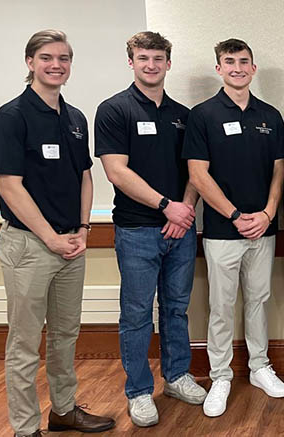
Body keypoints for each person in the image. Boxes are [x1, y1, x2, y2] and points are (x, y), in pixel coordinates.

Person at [0, 29, 115, 436]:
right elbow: (9, 184)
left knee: (65, 335)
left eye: (63, 58)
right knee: (24, 345)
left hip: (70, 244)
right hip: (29, 245)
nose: (56, 65)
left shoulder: (75, 118)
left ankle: (63, 411)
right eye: (46, 57)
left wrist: (82, 228)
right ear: (30, 63)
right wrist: (50, 237)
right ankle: (25, 429)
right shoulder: (11, 117)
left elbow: (84, 176)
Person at [95, 31, 205, 427]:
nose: (151, 64)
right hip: (137, 231)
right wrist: (166, 207)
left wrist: (185, 211)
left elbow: (197, 171)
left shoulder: (183, 115)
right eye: (143, 58)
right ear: (131, 62)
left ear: (168, 63)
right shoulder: (114, 110)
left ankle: (176, 376)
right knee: (138, 314)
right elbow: (116, 172)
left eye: (158, 58)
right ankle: (139, 391)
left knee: (176, 309)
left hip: (181, 230)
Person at [183, 38, 284, 417]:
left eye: (244, 62)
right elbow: (197, 174)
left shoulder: (270, 116)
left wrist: (267, 213)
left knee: (259, 300)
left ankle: (259, 367)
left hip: (263, 228)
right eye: (230, 62)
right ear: (219, 68)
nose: (238, 68)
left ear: (253, 68)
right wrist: (234, 215)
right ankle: (220, 375)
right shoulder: (203, 115)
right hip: (222, 231)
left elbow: (281, 169)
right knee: (221, 306)